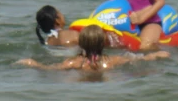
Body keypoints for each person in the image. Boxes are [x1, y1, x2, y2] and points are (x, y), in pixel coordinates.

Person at [18, 24, 169, 71]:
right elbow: (142, 58)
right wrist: (158, 54)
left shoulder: (74, 63)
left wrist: (32, 63)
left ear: (81, 44)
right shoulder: (112, 60)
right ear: (103, 43)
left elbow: (50, 68)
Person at [35, 5, 125, 48]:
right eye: (60, 12)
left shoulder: (47, 42)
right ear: (57, 20)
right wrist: (109, 36)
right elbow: (94, 40)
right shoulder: (71, 35)